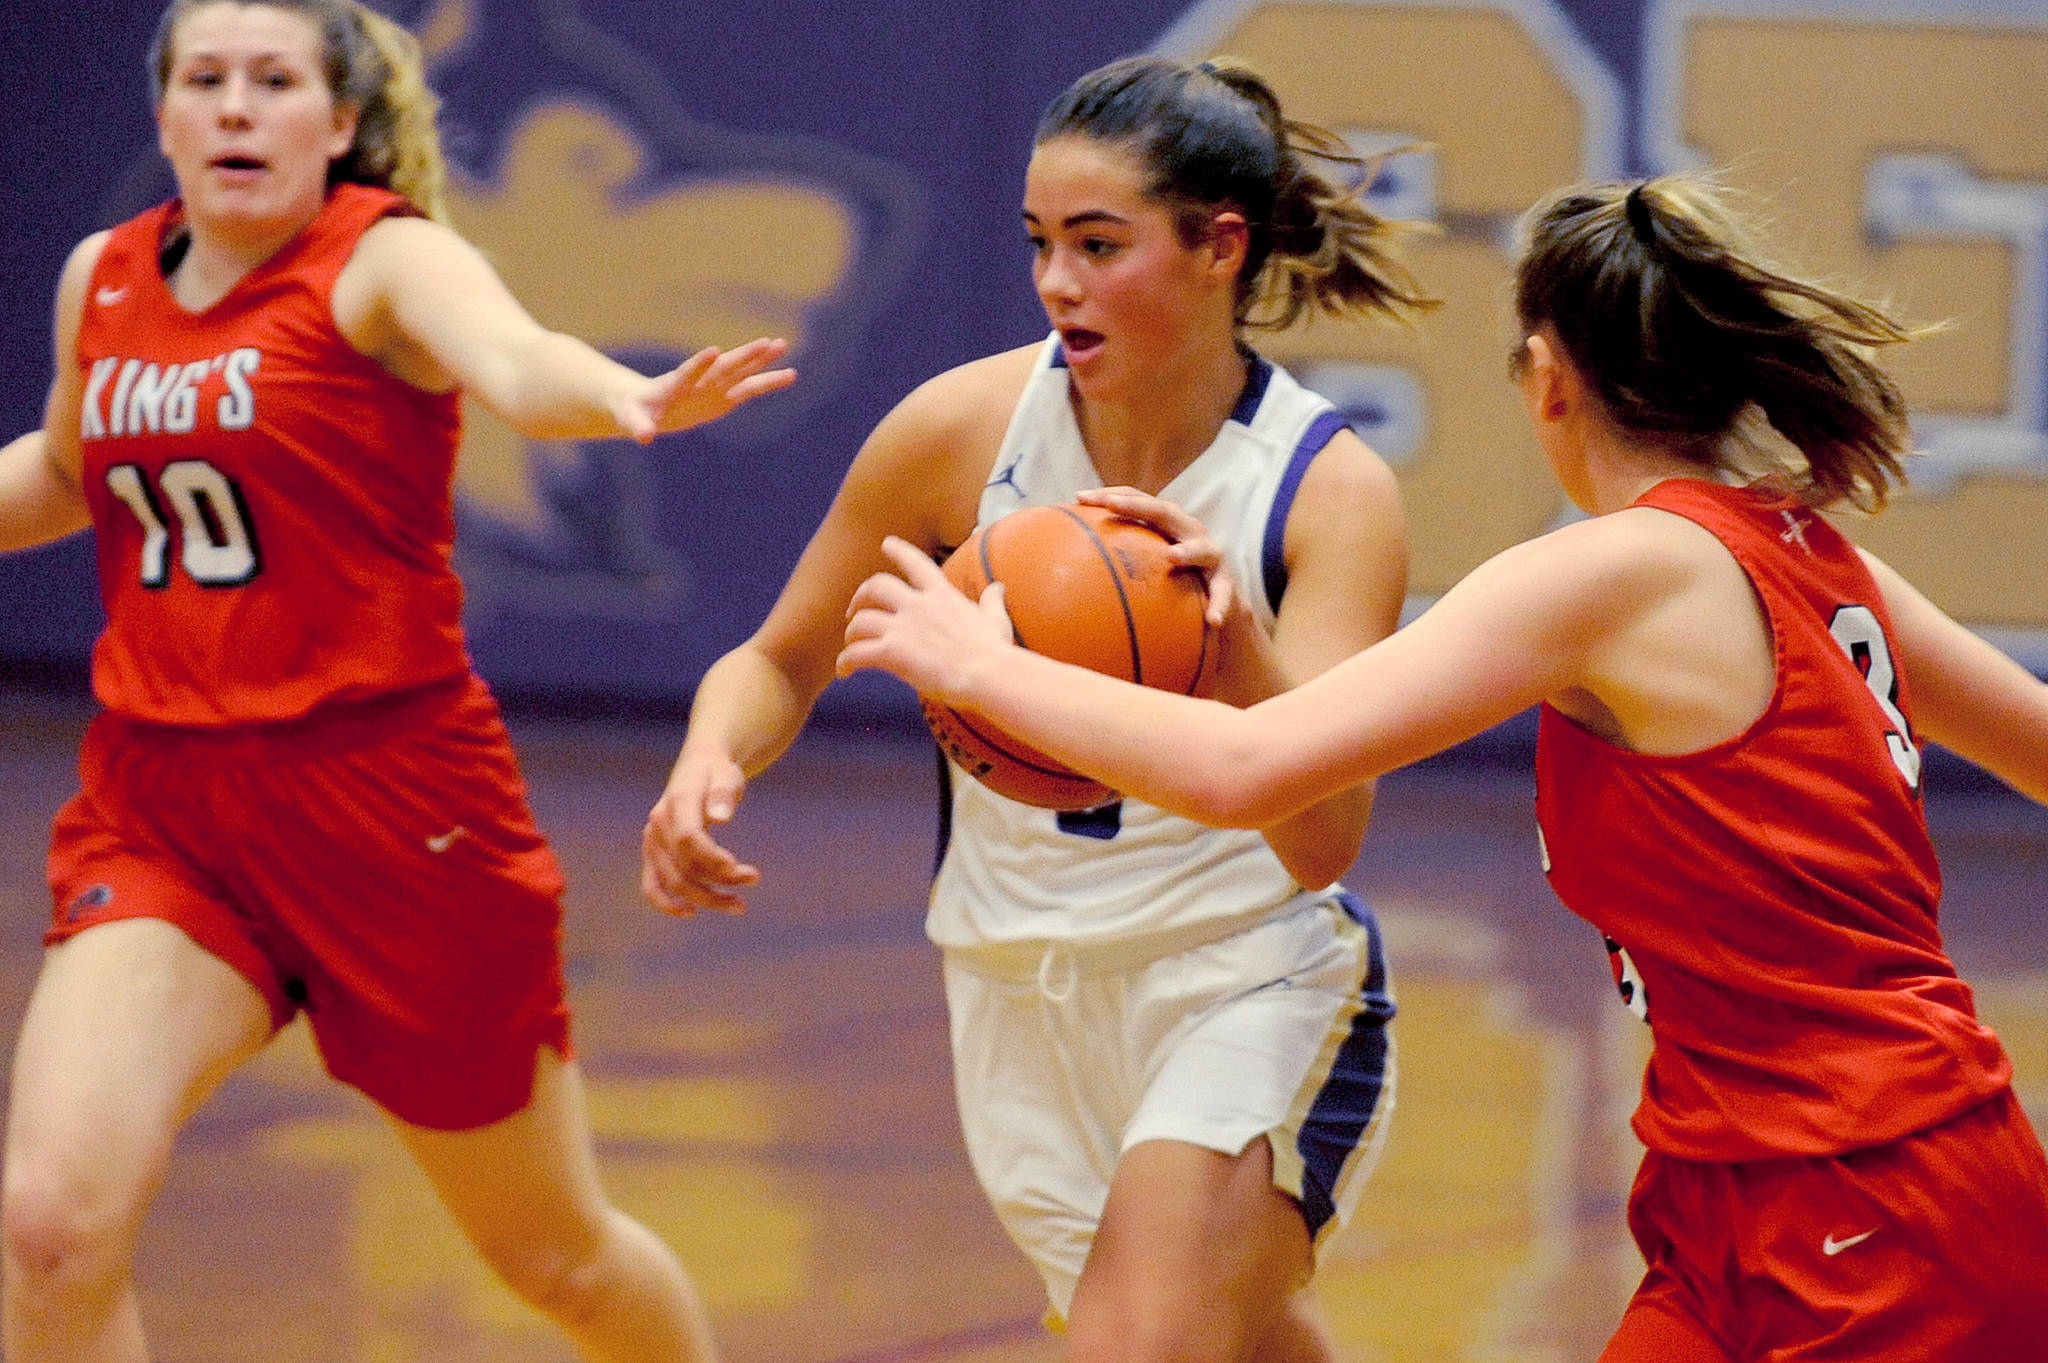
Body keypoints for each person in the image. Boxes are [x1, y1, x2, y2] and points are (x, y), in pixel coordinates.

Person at [841, 171, 2048, 1361]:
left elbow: (1246, 774)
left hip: (1875, 1197)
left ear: (1547, 378)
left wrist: (980, 668)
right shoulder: (1814, 557)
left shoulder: (1603, 574)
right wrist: (1246, 649)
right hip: (1734, 1196)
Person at [0, 3, 796, 1361]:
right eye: (207, 81)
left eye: (274, 82)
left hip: (396, 815)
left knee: (559, 1255)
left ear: (343, 123)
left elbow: (515, 358)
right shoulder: (107, 277)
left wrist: (620, 392)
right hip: (166, 812)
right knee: (51, 1224)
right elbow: (71, 473)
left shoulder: (384, 262)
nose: (238, 108)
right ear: (166, 115)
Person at [643, 54, 1429, 1363]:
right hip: (1014, 986)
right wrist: (706, 760)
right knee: (1232, 1337)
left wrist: (1235, 645)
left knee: (1136, 1339)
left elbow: (1325, 836)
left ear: (1219, 246)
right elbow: (780, 658)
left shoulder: (1324, 491)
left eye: (1099, 244)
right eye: (1040, 243)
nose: (1058, 280)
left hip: (1242, 976)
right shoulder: (959, 429)